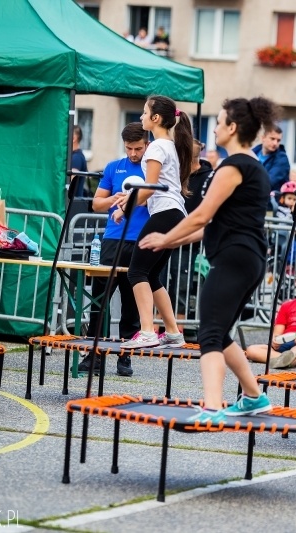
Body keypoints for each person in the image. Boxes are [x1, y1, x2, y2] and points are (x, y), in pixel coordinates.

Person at [139, 96, 282, 423]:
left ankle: (213, 408)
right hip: (248, 257)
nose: (214, 128)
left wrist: (165, 236)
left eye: (219, 122)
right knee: (221, 333)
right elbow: (214, 225)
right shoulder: (254, 166)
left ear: (232, 128)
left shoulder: (233, 167)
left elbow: (202, 215)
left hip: (235, 258)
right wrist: (174, 241)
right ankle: (253, 397)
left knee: (209, 333)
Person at [112, 95, 191, 349]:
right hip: (173, 213)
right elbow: (152, 191)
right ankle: (173, 332)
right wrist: (129, 199)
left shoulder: (156, 147)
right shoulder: (168, 144)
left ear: (156, 118)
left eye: (144, 113)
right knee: (152, 274)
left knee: (136, 272)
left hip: (166, 214)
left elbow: (150, 188)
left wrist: (125, 206)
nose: (141, 117)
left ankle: (147, 332)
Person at [82, 122, 151, 376]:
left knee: (131, 302)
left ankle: (126, 357)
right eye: (129, 148)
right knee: (100, 299)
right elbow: (96, 204)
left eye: (138, 148)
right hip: (112, 240)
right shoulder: (113, 167)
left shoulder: (153, 170)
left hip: (140, 240)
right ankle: (93, 356)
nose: (134, 153)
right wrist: (113, 200)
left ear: (147, 144)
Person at [166, 140, 212, 326]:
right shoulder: (175, 173)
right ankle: (154, 327)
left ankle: (178, 329)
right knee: (159, 282)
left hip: (189, 243)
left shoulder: (209, 177)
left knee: (181, 287)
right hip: (167, 236)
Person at [252, 125, 290, 198]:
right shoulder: (253, 153)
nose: (275, 143)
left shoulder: (282, 159)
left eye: (278, 140)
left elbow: (267, 182)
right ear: (263, 138)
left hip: (272, 203)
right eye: (272, 139)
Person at [70, 125, 88, 197]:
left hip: (73, 204)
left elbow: (71, 181)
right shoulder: (76, 156)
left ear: (74, 138)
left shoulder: (76, 158)